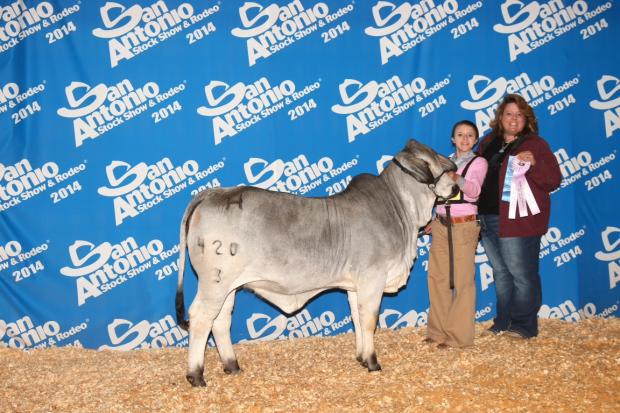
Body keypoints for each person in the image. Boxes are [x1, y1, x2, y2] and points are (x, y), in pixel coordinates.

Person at [476, 94, 561, 339]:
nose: (514, 119)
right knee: (501, 273)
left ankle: (524, 326)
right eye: (509, 114)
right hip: (487, 218)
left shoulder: (536, 145)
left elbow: (553, 180)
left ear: (527, 119)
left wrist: (535, 164)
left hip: (519, 221)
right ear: (500, 117)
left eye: (519, 114)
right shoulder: (488, 142)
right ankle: (503, 320)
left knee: (521, 274)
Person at [425, 120, 488, 348]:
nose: (464, 139)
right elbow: (436, 195)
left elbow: (474, 192)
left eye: (469, 135)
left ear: (475, 140)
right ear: (453, 139)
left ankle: (459, 337)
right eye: (460, 135)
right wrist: (433, 217)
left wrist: (457, 178)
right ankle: (437, 331)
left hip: (464, 225)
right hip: (441, 224)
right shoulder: (445, 162)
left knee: (462, 281)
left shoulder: (478, 163)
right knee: (437, 277)